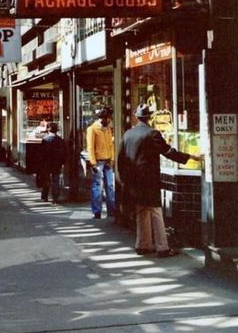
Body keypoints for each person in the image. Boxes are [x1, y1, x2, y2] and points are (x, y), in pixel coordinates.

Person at [117, 103, 202, 258]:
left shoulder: (127, 134)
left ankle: (142, 245)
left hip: (133, 183)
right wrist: (190, 157)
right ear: (149, 117)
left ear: (137, 117)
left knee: (141, 212)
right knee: (156, 211)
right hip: (149, 182)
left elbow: (120, 160)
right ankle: (162, 247)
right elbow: (168, 152)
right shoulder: (152, 134)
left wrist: (124, 180)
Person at [86, 108, 116, 219]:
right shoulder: (92, 129)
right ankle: (97, 211)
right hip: (98, 161)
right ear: (102, 118)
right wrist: (93, 163)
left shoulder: (108, 129)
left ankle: (111, 210)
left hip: (107, 160)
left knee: (110, 186)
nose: (109, 120)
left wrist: (111, 159)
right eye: (108, 118)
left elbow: (111, 145)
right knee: (98, 186)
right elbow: (90, 147)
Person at [40, 122, 66, 203]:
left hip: (47, 163)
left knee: (46, 179)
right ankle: (55, 198)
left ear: (48, 130)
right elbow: (63, 153)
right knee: (55, 180)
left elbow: (42, 153)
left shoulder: (45, 140)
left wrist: (42, 163)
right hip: (56, 163)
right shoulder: (60, 140)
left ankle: (45, 196)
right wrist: (62, 163)